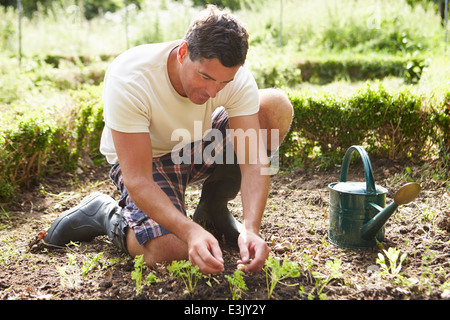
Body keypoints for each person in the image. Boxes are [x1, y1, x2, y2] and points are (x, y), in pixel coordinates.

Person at [44, 5, 293, 274]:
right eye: (205, 77)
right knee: (171, 250)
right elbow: (138, 179)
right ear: (183, 52)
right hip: (148, 161)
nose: (212, 91)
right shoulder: (131, 77)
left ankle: (212, 208)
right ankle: (105, 215)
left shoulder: (233, 78)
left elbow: (254, 161)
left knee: (274, 107)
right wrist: (189, 233)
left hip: (196, 144)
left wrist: (251, 229)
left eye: (223, 83)